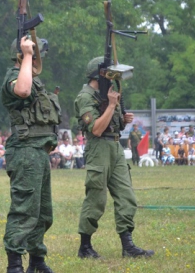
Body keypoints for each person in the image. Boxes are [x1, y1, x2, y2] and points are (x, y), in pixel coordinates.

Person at [75, 56, 153, 259]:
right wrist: (111, 106)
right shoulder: (85, 97)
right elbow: (97, 129)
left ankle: (127, 245)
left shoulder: (108, 94)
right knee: (96, 198)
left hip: (115, 147)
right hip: (98, 148)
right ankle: (85, 247)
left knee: (127, 196)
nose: (113, 79)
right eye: (109, 74)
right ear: (97, 75)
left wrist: (123, 120)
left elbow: (112, 125)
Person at [1, 35, 60, 273]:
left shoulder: (36, 82)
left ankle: (37, 260)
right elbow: (22, 91)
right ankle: (14, 264)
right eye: (34, 55)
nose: (38, 59)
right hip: (25, 151)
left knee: (42, 213)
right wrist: (26, 55)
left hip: (39, 152)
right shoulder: (14, 78)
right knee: (24, 211)